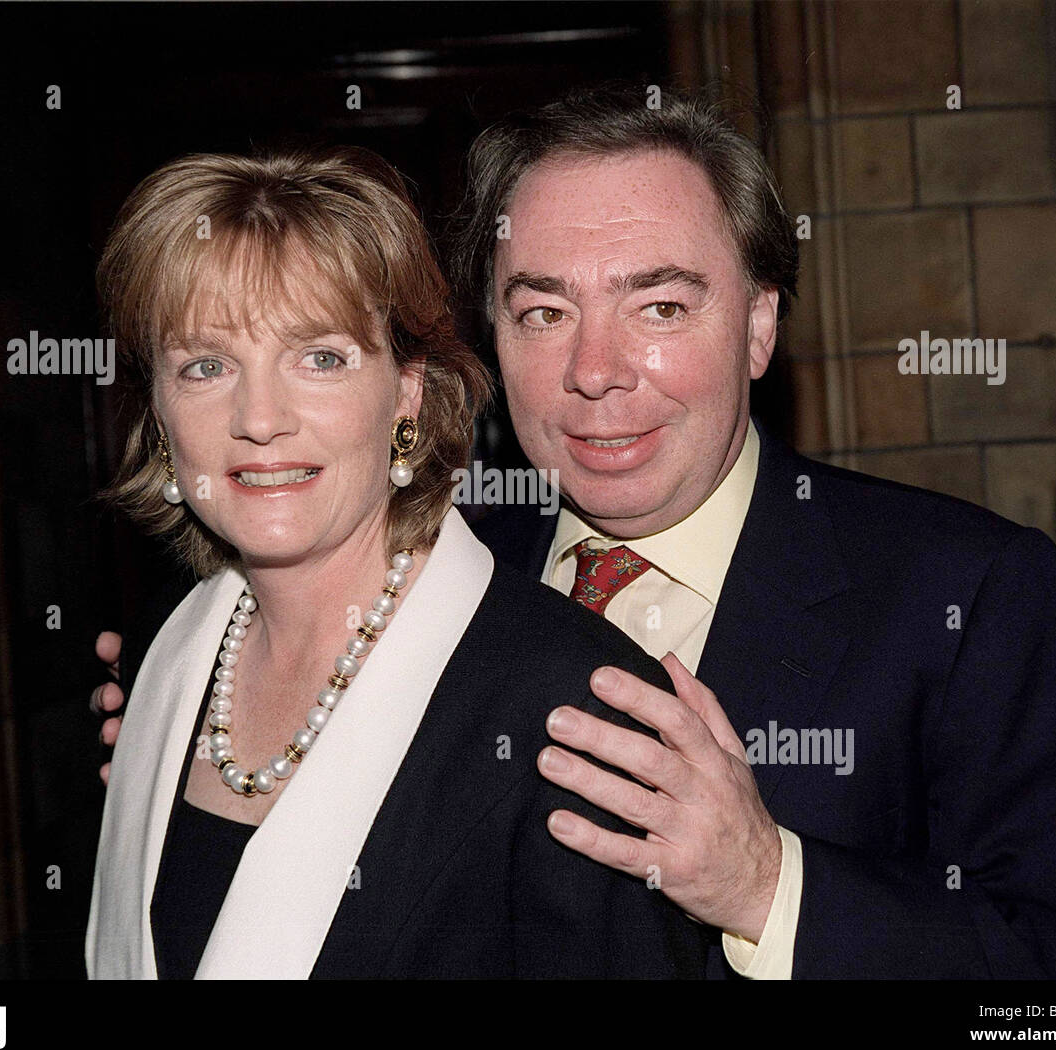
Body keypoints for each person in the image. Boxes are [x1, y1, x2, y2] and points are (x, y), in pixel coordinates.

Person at [95, 86, 1056, 979]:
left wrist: (769, 887)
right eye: (543, 312)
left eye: (657, 307)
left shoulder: (964, 598)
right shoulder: (411, 576)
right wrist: (200, 760)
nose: (594, 370)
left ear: (757, 325)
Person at [84, 145, 708, 979]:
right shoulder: (161, 659)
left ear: (407, 391)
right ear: (158, 413)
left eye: (321, 358)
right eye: (206, 365)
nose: (259, 418)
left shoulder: (573, 710)